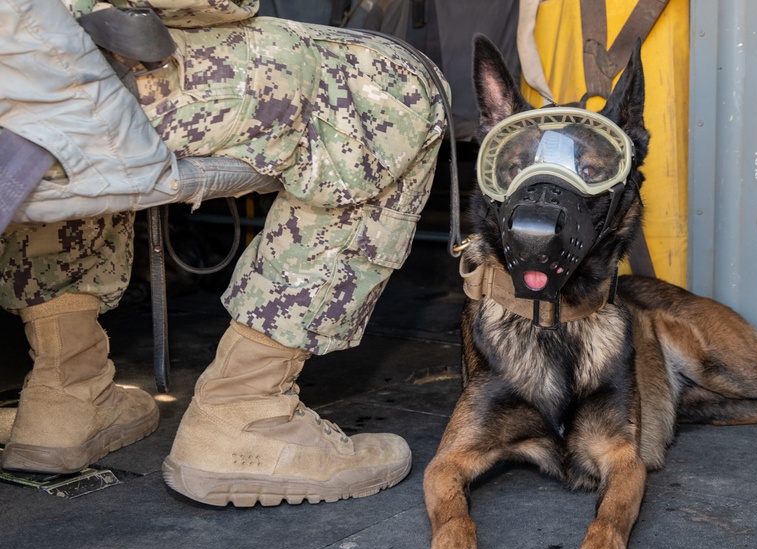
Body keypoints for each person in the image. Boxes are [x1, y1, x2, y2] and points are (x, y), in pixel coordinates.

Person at [0, 0, 449, 507]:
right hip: (34, 95)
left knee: (75, 84)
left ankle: (68, 391)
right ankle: (246, 411)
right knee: (393, 84)